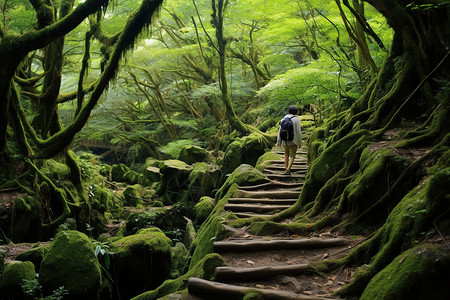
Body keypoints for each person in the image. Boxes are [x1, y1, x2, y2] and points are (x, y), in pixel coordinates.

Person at [276, 105, 302, 175]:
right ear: (296, 112)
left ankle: (286, 168)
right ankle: (288, 169)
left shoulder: (284, 118)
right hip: (294, 140)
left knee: (286, 154)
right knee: (292, 155)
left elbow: (280, 130)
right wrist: (300, 142)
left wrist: (279, 141)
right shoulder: (296, 119)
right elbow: (299, 131)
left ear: (288, 111)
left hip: (285, 140)